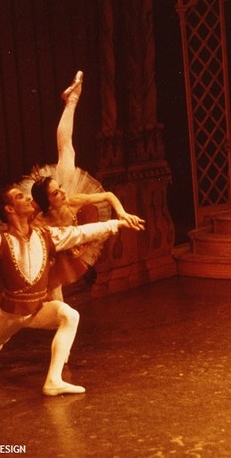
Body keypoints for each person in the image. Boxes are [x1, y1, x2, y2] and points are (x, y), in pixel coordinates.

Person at [0, 184, 139, 396]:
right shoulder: (0, 241)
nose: (28, 199)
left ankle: (53, 380)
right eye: (20, 197)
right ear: (9, 209)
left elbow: (80, 233)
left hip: (38, 309)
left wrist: (117, 223)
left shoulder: (46, 236)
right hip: (12, 312)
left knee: (69, 315)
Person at [24, 71, 145, 300]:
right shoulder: (36, 217)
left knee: (66, 150)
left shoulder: (69, 198)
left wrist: (121, 212)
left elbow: (108, 195)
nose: (63, 192)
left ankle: (72, 100)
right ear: (46, 202)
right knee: (53, 285)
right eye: (56, 193)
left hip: (67, 235)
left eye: (59, 188)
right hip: (49, 248)